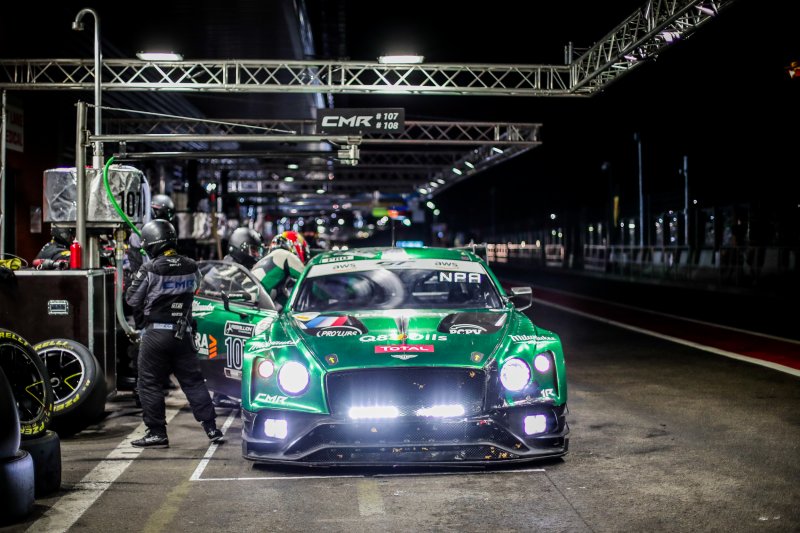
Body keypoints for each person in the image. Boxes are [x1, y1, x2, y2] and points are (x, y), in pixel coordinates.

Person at [125, 219, 224, 448]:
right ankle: (211, 428)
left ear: (151, 244)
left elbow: (132, 299)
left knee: (149, 383)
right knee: (193, 382)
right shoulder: (191, 266)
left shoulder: (150, 268)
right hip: (183, 334)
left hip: (156, 335)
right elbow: (198, 288)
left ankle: (157, 432)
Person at [252, 231, 306, 309]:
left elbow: (283, 299)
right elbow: (308, 278)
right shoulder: (285, 255)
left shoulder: (268, 260)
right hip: (254, 306)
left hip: (247, 304)